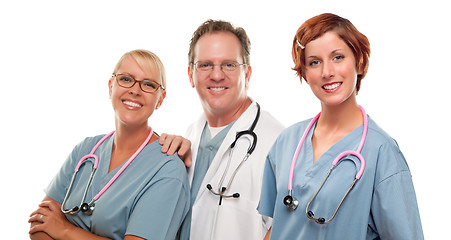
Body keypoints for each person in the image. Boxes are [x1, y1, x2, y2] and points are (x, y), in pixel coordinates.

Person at [257, 13, 424, 239]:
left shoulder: (382, 152)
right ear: (305, 74)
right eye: (314, 62)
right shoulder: (287, 141)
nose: (327, 72)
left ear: (360, 62)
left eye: (338, 57)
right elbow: (277, 226)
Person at [28, 49, 190, 240]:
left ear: (160, 99)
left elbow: (53, 226)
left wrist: (64, 230)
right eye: (126, 79)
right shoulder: (86, 150)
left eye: (148, 84)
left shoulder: (167, 170)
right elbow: (39, 225)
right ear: (110, 86)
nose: (135, 90)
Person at [164, 19, 284, 240]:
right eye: (205, 65)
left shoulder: (278, 142)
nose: (217, 75)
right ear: (191, 75)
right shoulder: (190, 135)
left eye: (229, 64)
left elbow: (285, 227)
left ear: (247, 74)